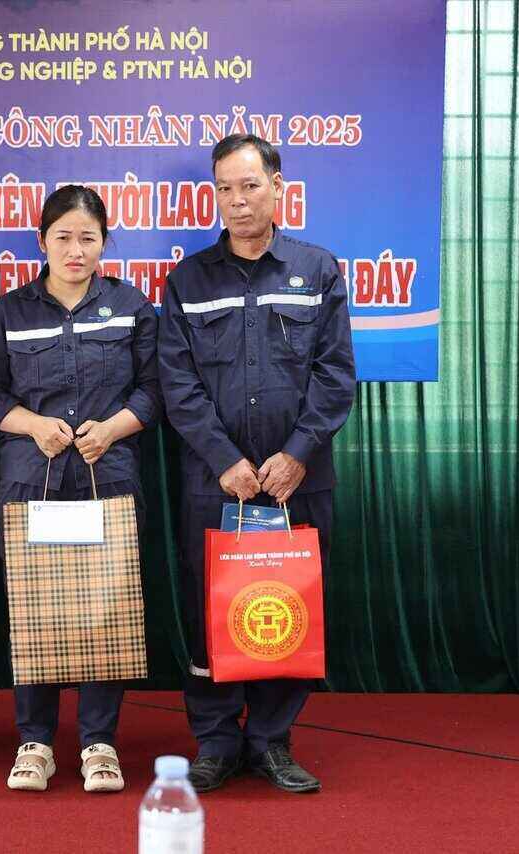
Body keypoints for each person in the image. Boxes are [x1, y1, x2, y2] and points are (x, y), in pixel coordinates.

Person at [156, 134, 356, 794]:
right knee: (210, 610)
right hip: (216, 484)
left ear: (277, 187)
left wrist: (298, 455)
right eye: (224, 189)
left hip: (297, 481)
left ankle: (271, 739)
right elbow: (177, 384)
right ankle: (215, 742)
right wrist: (224, 460)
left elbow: (335, 375)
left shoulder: (317, 269)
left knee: (287, 608)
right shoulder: (187, 280)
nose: (237, 201)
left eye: (249, 186)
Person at [0, 185, 161, 793]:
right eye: (63, 237)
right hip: (33, 479)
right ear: (41, 240)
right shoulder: (10, 311)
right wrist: (32, 425)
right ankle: (36, 740)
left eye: (88, 238)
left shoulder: (131, 305)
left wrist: (114, 429)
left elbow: (156, 389)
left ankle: (99, 742)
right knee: (36, 607)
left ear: (105, 242)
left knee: (107, 609)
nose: (76, 251)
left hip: (110, 474)